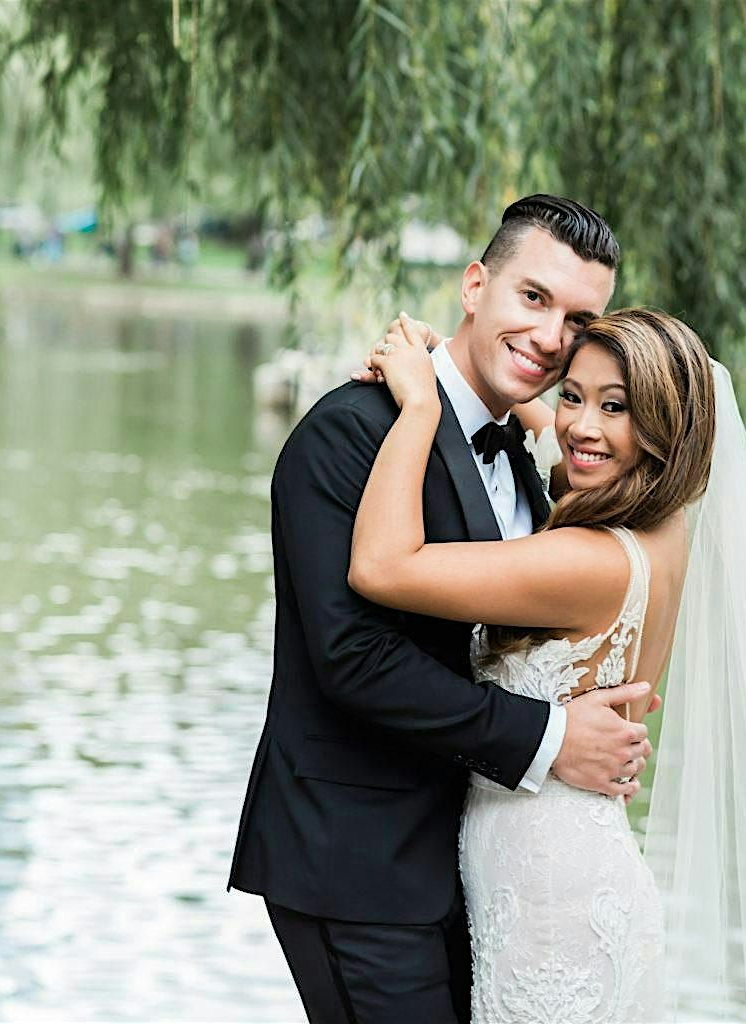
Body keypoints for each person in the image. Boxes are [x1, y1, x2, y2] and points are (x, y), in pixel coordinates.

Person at [356, 308, 746, 1022]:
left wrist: (419, 404)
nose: (580, 426)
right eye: (574, 395)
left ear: (665, 428)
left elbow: (383, 567)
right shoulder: (663, 528)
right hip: (567, 873)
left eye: (617, 406)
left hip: (551, 901)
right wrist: (458, 364)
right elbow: (559, 433)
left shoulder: (586, 562)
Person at [229, 196, 659, 1024]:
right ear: (474, 287)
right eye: (532, 298)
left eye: (578, 319)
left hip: (471, 864)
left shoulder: (540, 463)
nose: (548, 337)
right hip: (358, 858)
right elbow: (353, 658)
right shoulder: (347, 435)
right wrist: (552, 738)